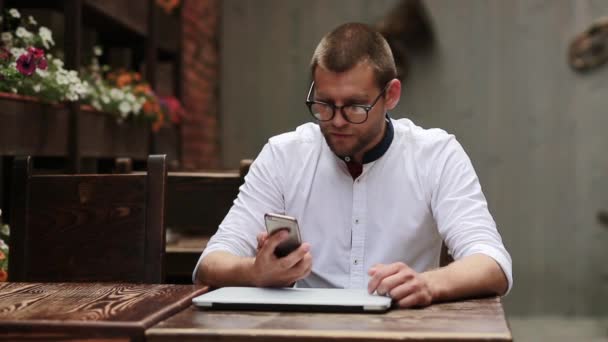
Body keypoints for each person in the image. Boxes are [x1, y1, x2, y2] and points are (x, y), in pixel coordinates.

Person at [193, 22, 512, 308]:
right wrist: (255, 271)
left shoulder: (436, 154)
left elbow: (492, 263)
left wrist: (428, 283)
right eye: (325, 105)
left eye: (355, 107)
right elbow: (211, 262)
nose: (337, 121)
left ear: (391, 95)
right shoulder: (283, 155)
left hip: (402, 328)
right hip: (303, 331)